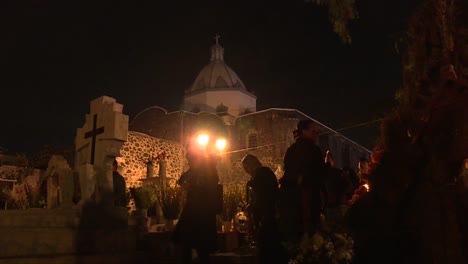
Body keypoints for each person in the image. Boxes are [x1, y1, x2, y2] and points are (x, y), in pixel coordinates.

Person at [279, 119, 326, 242]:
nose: (316, 133)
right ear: (303, 131)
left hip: (292, 203)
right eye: (313, 131)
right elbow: (318, 174)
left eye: (317, 131)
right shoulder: (313, 150)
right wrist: (328, 167)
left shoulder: (291, 150)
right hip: (307, 200)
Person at [173, 146, 219, 264]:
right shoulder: (193, 170)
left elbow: (209, 188)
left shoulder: (209, 170)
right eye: (189, 160)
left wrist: (191, 187)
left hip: (203, 212)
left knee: (201, 246)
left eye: (191, 159)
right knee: (185, 242)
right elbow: (182, 180)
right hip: (192, 210)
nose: (189, 162)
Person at [241, 154, 288, 264]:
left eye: (246, 167)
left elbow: (263, 196)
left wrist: (252, 207)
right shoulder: (261, 174)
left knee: (268, 249)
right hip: (265, 218)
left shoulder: (262, 173)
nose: (246, 171)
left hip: (267, 218)